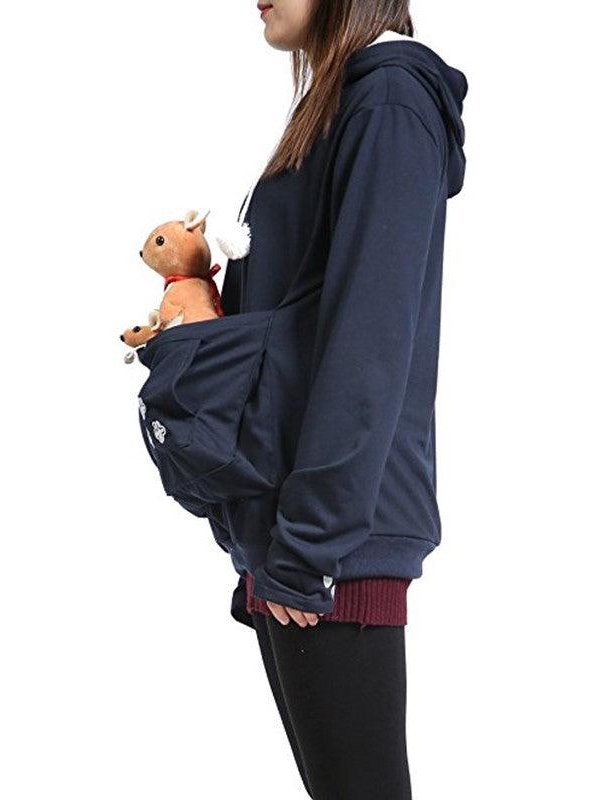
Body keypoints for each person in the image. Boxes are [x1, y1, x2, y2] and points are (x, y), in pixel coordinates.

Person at [212, 2, 468, 797]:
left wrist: (306, 551)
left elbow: (370, 345)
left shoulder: (388, 101)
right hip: (293, 533)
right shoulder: (342, 97)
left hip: (329, 543)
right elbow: (306, 325)